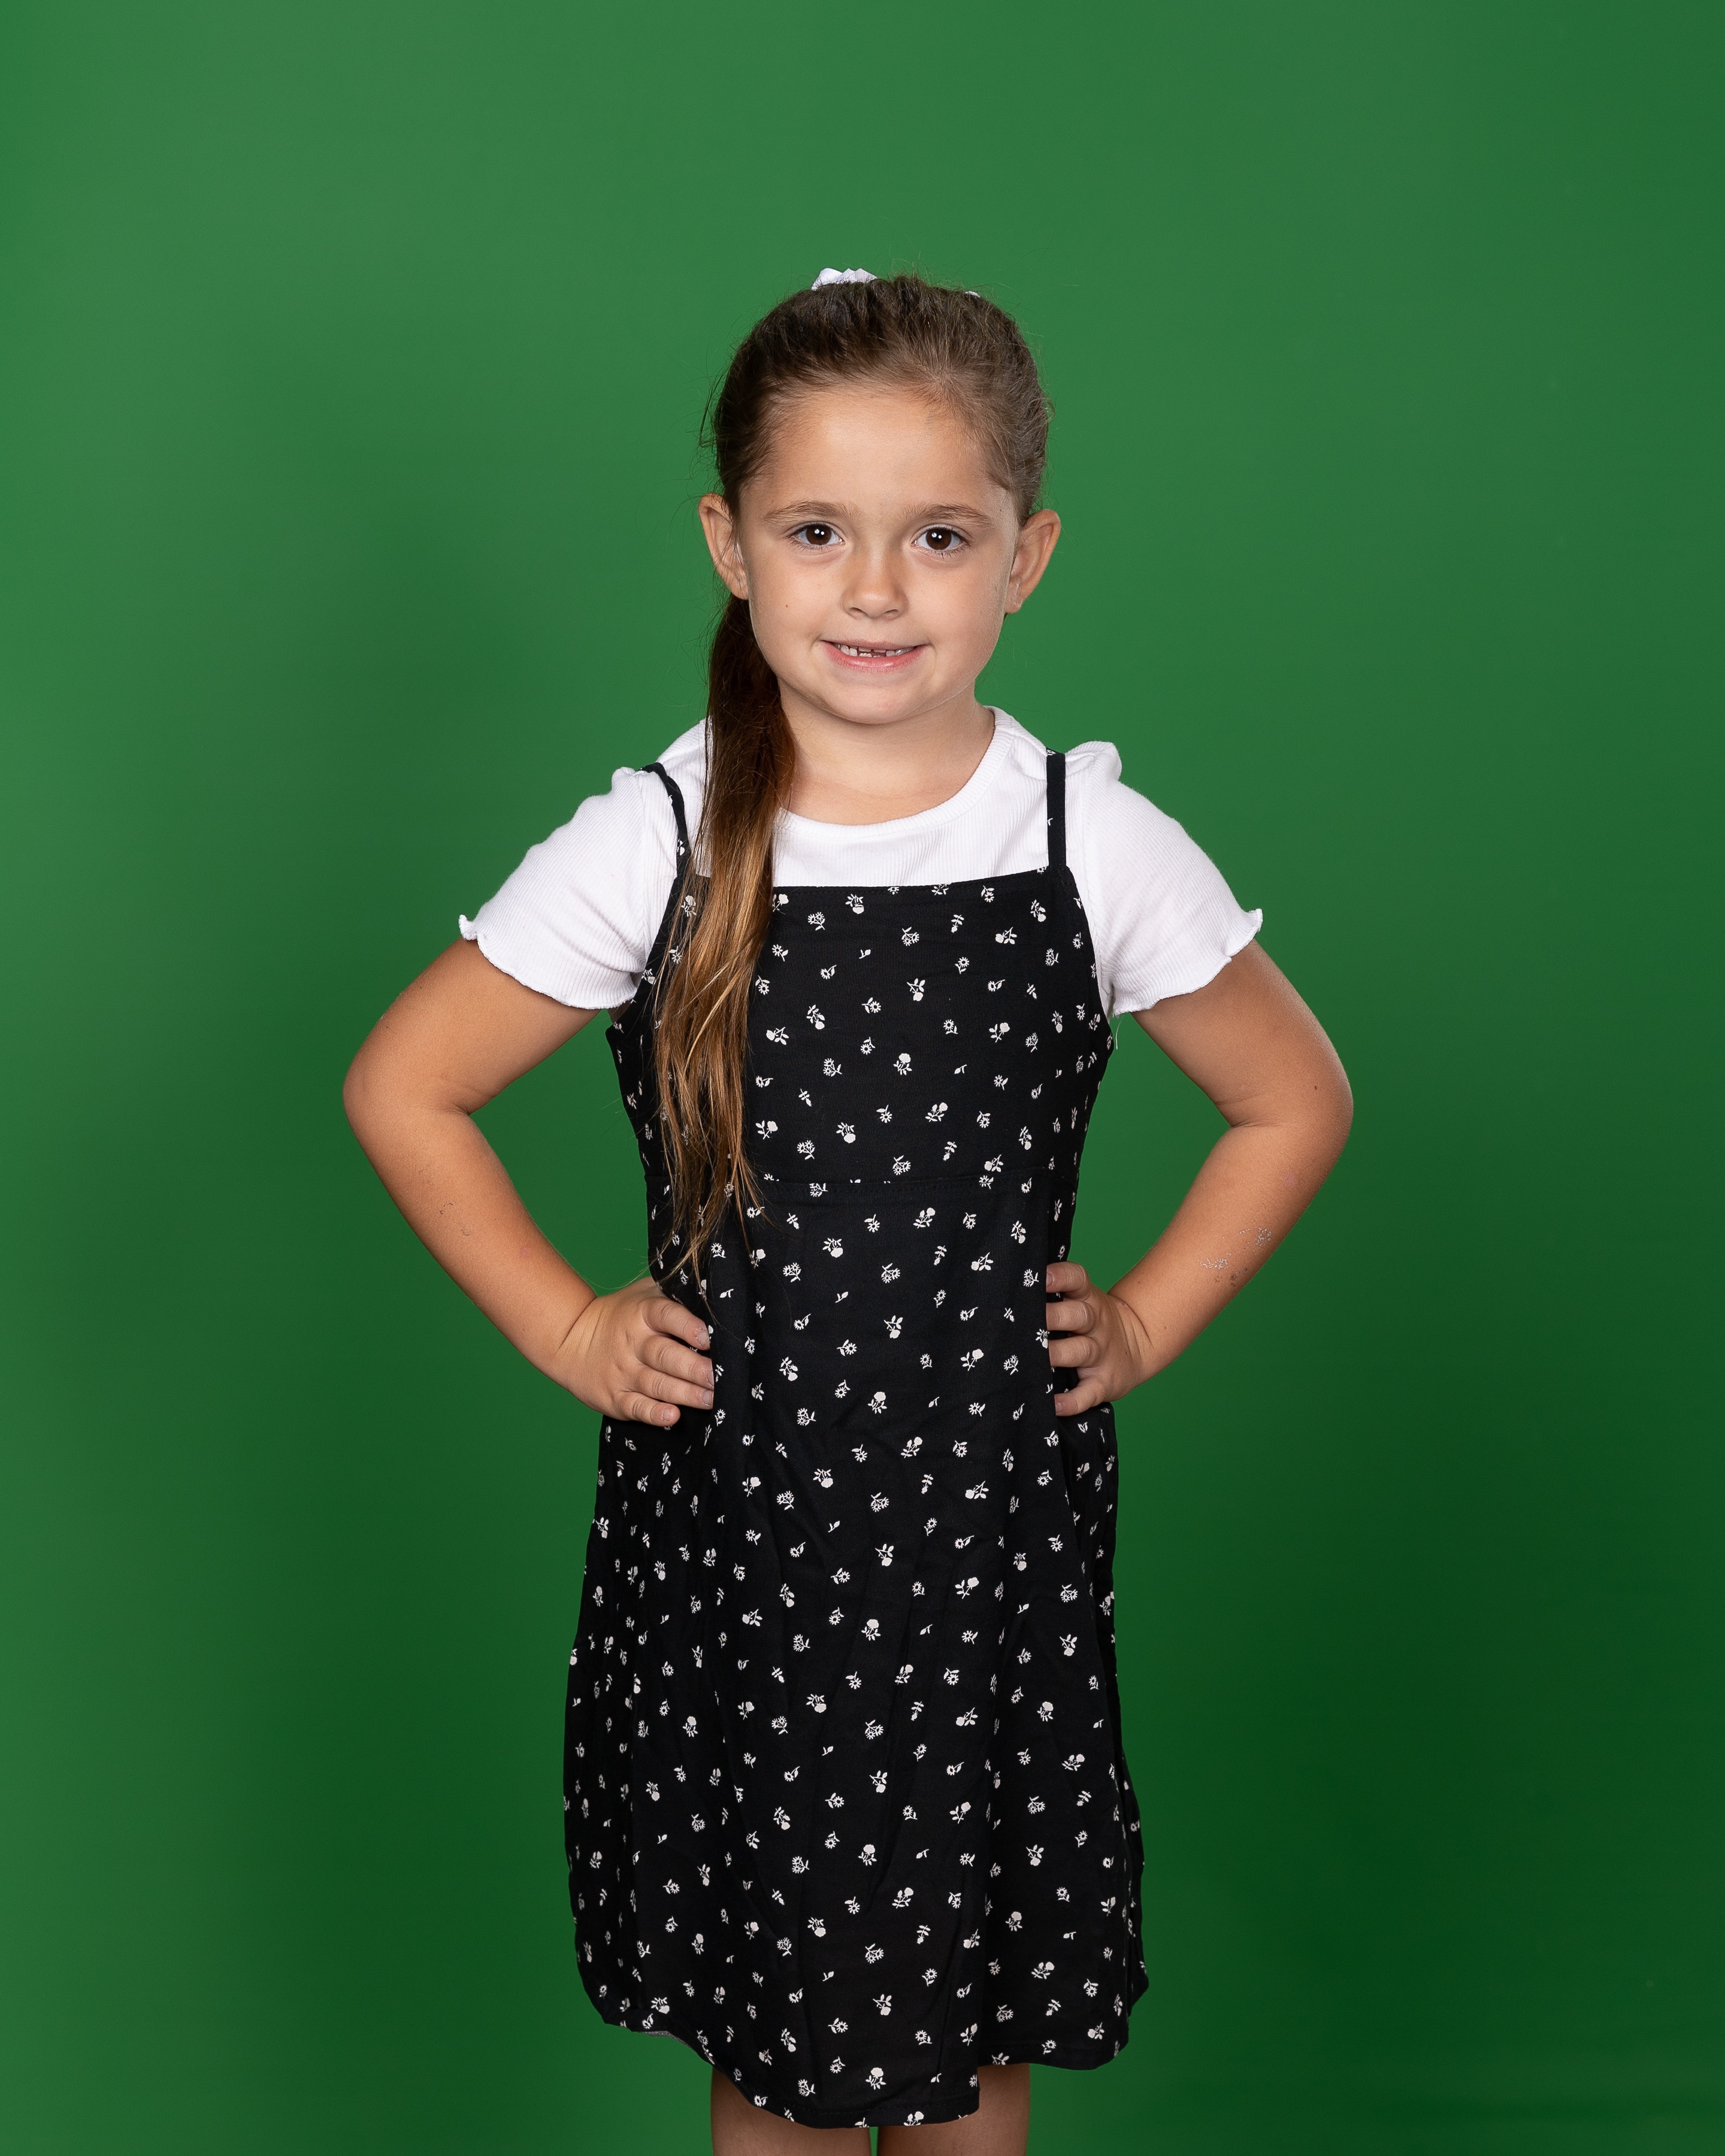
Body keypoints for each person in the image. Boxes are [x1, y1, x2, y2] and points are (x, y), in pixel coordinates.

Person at [344, 267, 1352, 2155]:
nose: (876, 587)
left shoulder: (1086, 838)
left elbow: (1294, 1097)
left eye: (938, 537)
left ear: (1025, 559)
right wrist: (570, 1324)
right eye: (819, 531)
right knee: (785, 2041)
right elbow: (408, 1083)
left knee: (974, 2028)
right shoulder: (660, 835)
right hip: (748, 1543)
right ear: (731, 544)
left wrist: (1145, 1318)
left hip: (988, 1542)